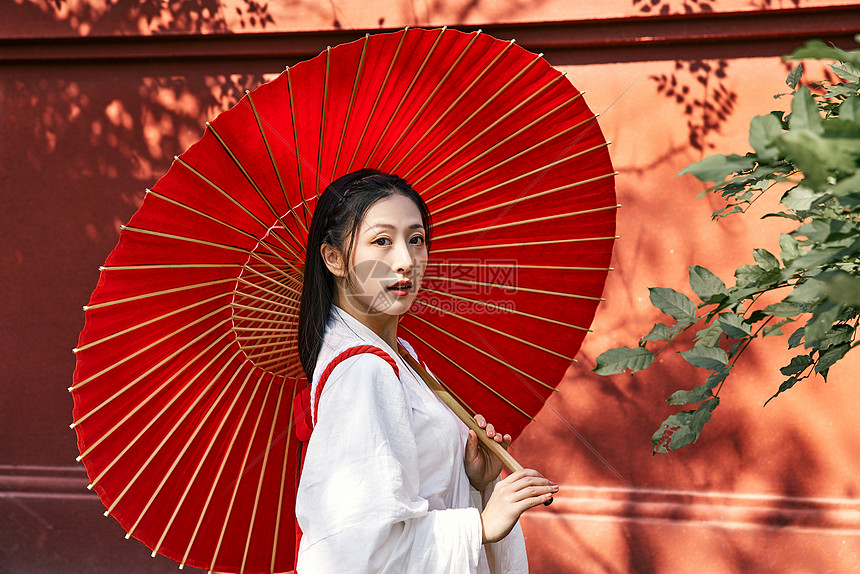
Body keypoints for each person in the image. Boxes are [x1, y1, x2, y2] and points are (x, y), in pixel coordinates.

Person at [294, 169, 558, 573]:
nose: (406, 260)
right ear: (334, 258)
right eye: (382, 241)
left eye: (415, 239)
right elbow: (359, 547)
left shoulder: (402, 354)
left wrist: (471, 480)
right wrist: (480, 526)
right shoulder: (363, 369)